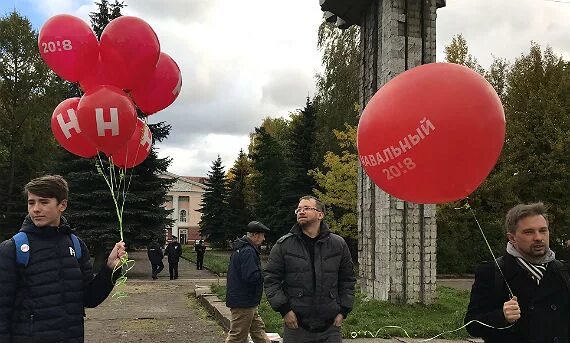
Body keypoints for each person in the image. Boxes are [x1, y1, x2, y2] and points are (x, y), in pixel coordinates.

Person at [0, 175, 126, 342]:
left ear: (62, 205)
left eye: (44, 202)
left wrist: (110, 268)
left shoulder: (76, 245)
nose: (36, 209)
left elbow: (90, 298)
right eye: (31, 202)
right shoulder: (12, 248)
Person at [465, 202, 570, 343]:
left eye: (543, 230)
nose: (538, 237)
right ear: (512, 238)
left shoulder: (563, 271)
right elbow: (471, 325)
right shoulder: (492, 272)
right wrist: (501, 317)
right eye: (529, 232)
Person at [264, 195, 356, 343]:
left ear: (320, 214)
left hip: (331, 327)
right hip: (297, 327)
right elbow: (271, 280)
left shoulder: (338, 244)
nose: (301, 211)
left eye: (307, 208)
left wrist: (343, 310)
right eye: (299, 209)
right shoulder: (284, 245)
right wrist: (284, 310)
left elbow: (348, 280)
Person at [225, 221, 272, 343]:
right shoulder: (248, 251)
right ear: (256, 235)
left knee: (258, 331)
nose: (263, 239)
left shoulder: (241, 248)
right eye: (263, 235)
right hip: (244, 301)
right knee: (237, 336)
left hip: (246, 300)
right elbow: (251, 277)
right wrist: (266, 273)